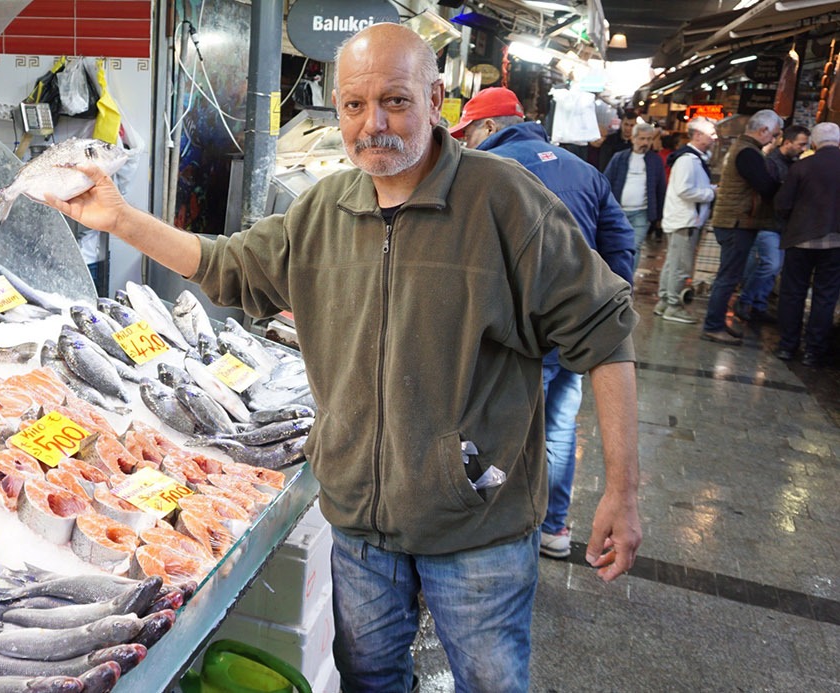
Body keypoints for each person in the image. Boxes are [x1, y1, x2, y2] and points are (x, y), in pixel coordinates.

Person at [44, 23, 642, 692]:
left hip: (479, 523)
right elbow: (226, 264)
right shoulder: (325, 206)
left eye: (395, 100)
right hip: (361, 522)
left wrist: (622, 488)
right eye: (354, 105)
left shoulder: (505, 202)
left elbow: (607, 329)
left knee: (492, 681)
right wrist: (121, 219)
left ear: (437, 97)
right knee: (369, 677)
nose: (372, 123)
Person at [455, 87, 635, 561]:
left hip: (511, 334)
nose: (465, 142)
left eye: (468, 131)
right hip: (572, 331)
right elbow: (620, 244)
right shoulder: (584, 170)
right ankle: (552, 528)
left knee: (498, 425)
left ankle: (500, 529)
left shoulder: (483, 173)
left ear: (489, 127)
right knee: (557, 425)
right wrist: (598, 314)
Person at [702, 109, 784, 345]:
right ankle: (713, 325)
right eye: (775, 134)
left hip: (735, 221)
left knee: (729, 276)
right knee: (728, 277)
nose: (775, 139)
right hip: (736, 222)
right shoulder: (748, 153)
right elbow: (766, 187)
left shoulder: (745, 148)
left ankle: (716, 323)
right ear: (763, 130)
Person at [774, 122, 840, 367]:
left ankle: (787, 346)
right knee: (826, 296)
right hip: (836, 242)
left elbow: (783, 203)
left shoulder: (801, 167)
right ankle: (814, 351)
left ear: (814, 143)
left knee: (793, 293)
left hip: (800, 239)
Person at [737, 124, 811, 323]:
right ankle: (745, 300)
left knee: (774, 267)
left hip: (783, 225)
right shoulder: (770, 162)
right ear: (787, 142)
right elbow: (769, 192)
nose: (804, 149)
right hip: (768, 222)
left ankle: (758, 304)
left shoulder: (794, 163)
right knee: (771, 264)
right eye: (801, 144)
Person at [656, 117, 719, 324]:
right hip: (685, 219)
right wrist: (711, 193)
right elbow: (685, 190)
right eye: (711, 134)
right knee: (680, 265)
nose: (715, 137)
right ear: (698, 135)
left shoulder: (691, 158)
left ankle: (665, 301)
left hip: (682, 218)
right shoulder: (688, 160)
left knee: (673, 263)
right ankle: (673, 306)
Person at [605, 122, 666, 273]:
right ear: (633, 139)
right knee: (616, 246)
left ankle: (628, 280)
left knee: (634, 247)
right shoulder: (620, 158)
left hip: (642, 212)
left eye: (649, 139)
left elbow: (660, 188)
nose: (645, 143)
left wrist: (659, 216)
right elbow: (607, 181)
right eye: (642, 138)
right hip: (618, 212)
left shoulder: (655, 161)